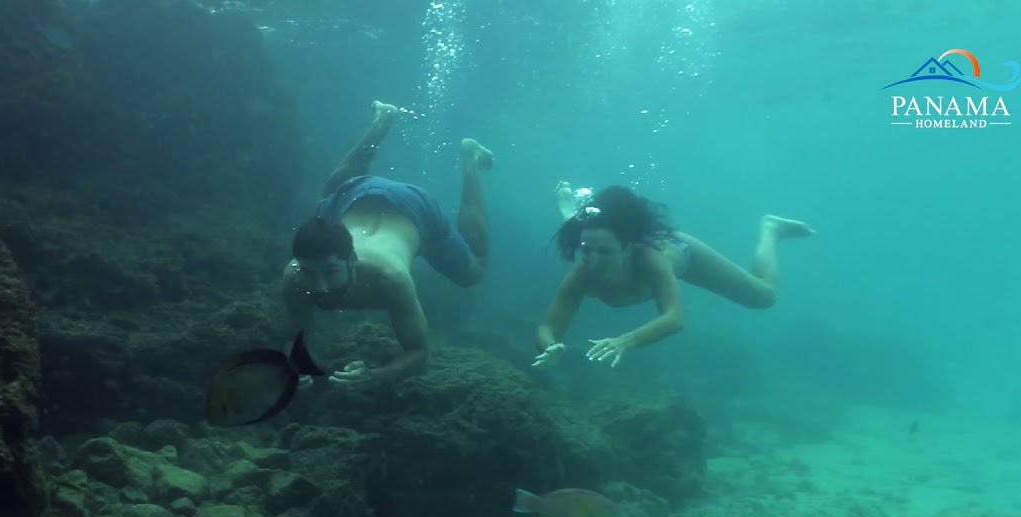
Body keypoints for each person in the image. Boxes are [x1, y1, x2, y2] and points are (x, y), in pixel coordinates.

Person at [282, 101, 494, 389]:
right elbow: (292, 336)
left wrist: (374, 377)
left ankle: (471, 159)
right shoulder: (295, 275)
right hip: (357, 193)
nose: (319, 287)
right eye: (310, 273)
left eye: (330, 272)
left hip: (416, 210)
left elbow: (420, 354)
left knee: (475, 271)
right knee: (334, 191)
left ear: (352, 260)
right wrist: (293, 364)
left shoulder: (391, 279)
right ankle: (383, 119)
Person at [533, 182, 814, 368]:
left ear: (627, 247)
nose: (592, 261)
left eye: (604, 253)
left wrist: (624, 341)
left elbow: (674, 318)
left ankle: (772, 229)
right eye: (586, 251)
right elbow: (548, 328)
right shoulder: (585, 269)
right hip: (604, 235)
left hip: (681, 251)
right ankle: (572, 214)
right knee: (584, 232)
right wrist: (551, 349)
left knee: (764, 297)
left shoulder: (650, 260)